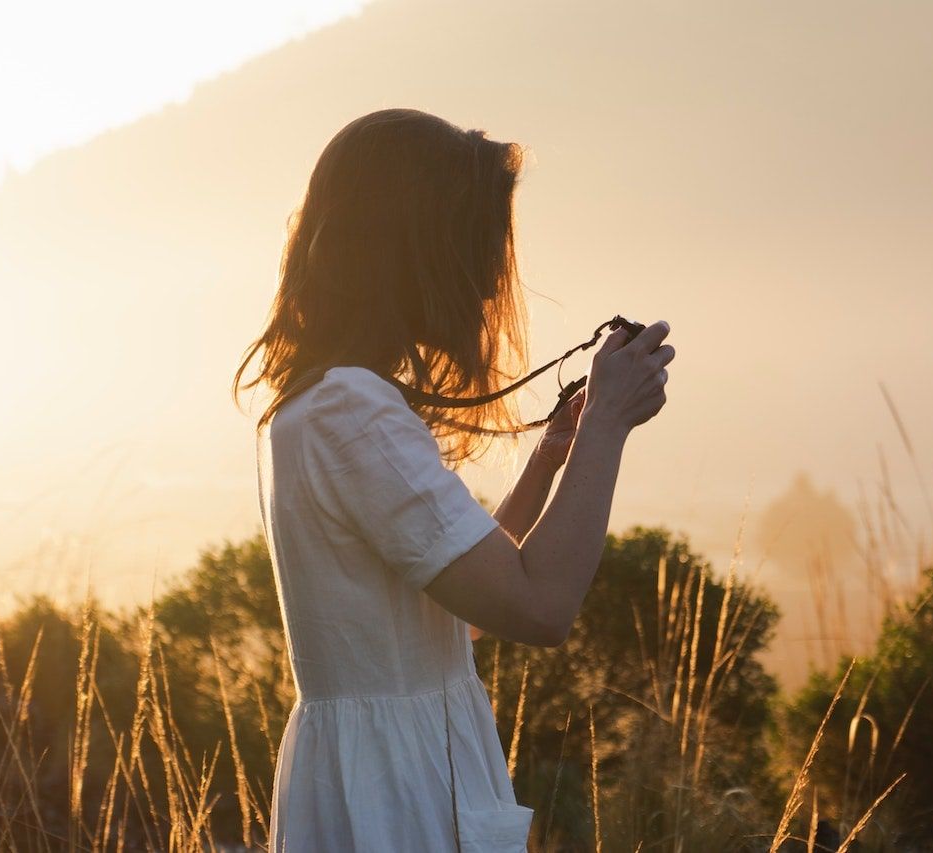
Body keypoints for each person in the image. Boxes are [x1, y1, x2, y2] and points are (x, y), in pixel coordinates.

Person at [233, 108, 674, 852]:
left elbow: (459, 600)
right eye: (474, 246)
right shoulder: (355, 412)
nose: (486, 285)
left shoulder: (325, 401)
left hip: (377, 775)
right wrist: (607, 428)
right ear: (409, 250)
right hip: (398, 797)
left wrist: (550, 459)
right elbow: (539, 606)